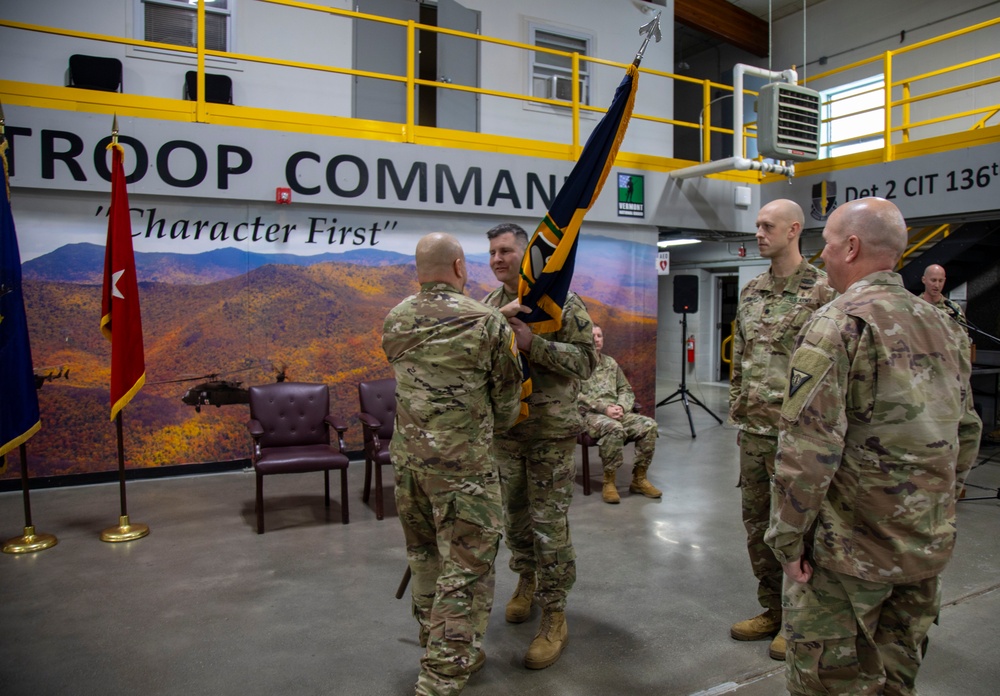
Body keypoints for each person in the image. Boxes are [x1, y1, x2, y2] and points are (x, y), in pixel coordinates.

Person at [765, 197, 982, 696]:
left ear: (852, 247)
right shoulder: (945, 325)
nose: (822, 257)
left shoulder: (838, 323)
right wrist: (936, 506)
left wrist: (788, 538)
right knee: (895, 681)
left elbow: (809, 450)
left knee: (827, 683)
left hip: (848, 556)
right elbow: (965, 431)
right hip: (923, 545)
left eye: (827, 246)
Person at [382, 232, 524, 696]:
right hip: (465, 472)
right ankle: (442, 675)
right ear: (461, 267)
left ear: (419, 270)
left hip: (408, 466)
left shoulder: (395, 319)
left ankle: (435, 643)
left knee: (425, 559)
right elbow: (507, 404)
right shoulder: (487, 324)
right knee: (466, 568)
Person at [483, 222, 598, 670]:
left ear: (526, 252)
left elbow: (588, 361)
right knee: (514, 520)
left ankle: (555, 614)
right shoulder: (491, 307)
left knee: (549, 524)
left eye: (506, 251)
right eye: (491, 252)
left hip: (549, 431)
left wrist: (535, 344)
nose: (497, 259)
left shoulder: (562, 303)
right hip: (506, 433)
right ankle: (525, 581)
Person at [728, 198, 836, 661]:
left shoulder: (822, 291)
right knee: (758, 527)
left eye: (767, 226)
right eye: (756, 226)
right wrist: (738, 405)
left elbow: (831, 368)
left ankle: (800, 620)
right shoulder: (751, 291)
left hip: (798, 438)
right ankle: (771, 609)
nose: (758, 233)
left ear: (794, 230)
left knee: (798, 529)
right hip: (754, 432)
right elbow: (741, 355)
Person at [578, 325, 661, 504]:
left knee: (649, 425)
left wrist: (622, 406)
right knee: (613, 428)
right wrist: (603, 409)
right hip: (591, 416)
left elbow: (625, 389)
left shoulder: (610, 363)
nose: (596, 339)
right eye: (592, 335)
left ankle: (639, 479)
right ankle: (609, 482)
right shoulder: (578, 365)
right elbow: (575, 396)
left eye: (600, 335)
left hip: (616, 411)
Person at [920, 263, 967, 328]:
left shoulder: (953, 308)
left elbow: (963, 335)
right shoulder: (912, 305)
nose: (937, 285)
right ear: (924, 280)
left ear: (944, 281)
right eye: (933, 280)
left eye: (940, 281)